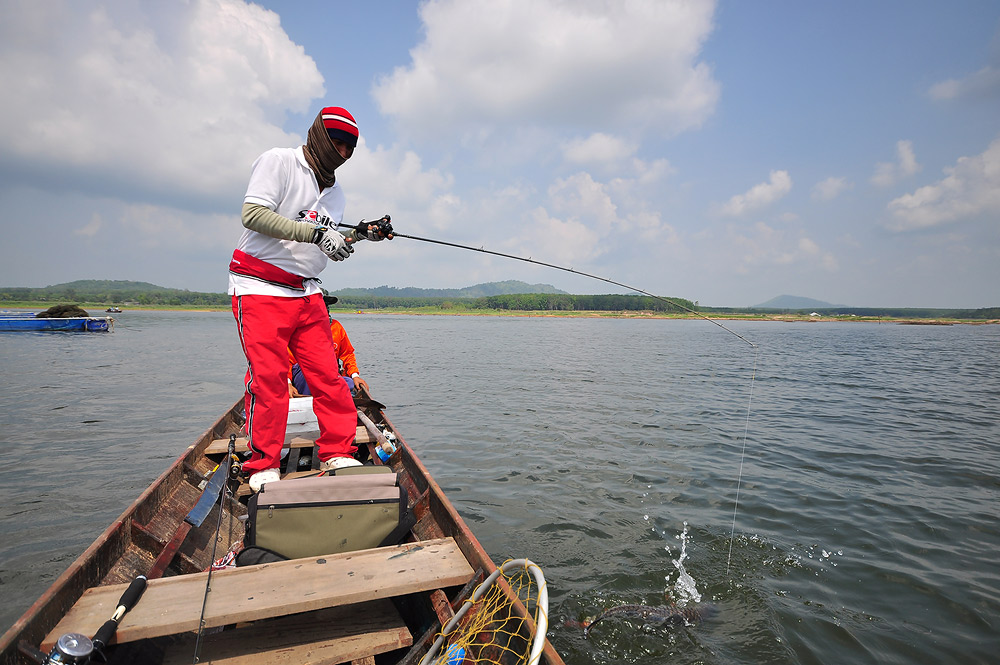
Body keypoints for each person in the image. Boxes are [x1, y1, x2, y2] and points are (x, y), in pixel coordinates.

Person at [228, 106, 394, 492]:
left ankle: (337, 450)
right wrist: (317, 235)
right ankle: (263, 463)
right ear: (319, 136)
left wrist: (357, 236)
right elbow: (252, 215)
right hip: (259, 286)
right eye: (337, 143)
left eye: (350, 147)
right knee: (270, 380)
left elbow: (327, 238)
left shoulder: (336, 194)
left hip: (306, 290)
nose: (344, 152)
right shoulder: (280, 162)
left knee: (329, 375)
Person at [288, 295, 370, 397]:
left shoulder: (336, 327)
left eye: (324, 305)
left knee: (350, 384)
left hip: (329, 375)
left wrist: (355, 375)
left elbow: (348, 354)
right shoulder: (297, 328)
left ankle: (333, 396)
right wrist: (288, 383)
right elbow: (286, 360)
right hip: (303, 375)